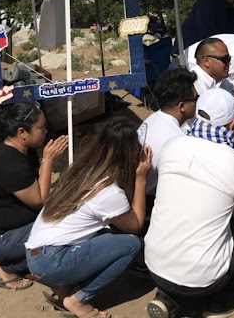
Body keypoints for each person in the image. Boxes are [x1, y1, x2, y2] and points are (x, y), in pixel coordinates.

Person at [144, 88, 234, 318]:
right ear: (232, 123)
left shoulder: (172, 146)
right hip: (204, 280)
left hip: (154, 266)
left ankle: (168, 296)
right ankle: (218, 301)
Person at [26, 117, 151, 318]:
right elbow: (134, 224)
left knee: (103, 232)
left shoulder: (84, 169)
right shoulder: (107, 191)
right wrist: (140, 179)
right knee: (131, 244)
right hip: (51, 261)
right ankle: (78, 300)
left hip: (37, 254)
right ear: (126, 153)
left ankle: (63, 287)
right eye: (137, 149)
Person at [0, 102, 68, 290]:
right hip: (1, 238)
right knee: (63, 230)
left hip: (12, 228)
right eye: (41, 127)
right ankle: (9, 266)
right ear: (22, 132)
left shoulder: (24, 150)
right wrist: (48, 161)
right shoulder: (9, 163)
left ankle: (11, 262)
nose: (45, 131)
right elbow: (39, 201)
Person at [137, 68, 199, 198]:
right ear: (182, 106)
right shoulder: (176, 141)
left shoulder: (154, 118)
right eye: (195, 99)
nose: (197, 103)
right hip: (145, 199)